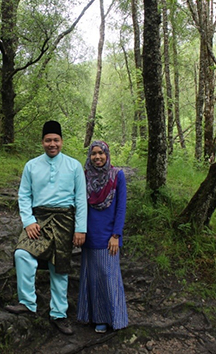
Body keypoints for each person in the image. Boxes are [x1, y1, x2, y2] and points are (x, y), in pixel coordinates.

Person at [5, 120, 87, 336]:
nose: (53, 144)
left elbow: (80, 199)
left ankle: (59, 314)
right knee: (22, 254)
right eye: (48, 140)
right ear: (42, 142)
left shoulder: (74, 165)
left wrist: (80, 229)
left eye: (56, 140)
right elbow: (24, 195)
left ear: (62, 142)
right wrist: (29, 221)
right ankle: (27, 303)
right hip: (38, 220)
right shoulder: (31, 165)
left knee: (59, 267)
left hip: (64, 220)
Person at [77, 140, 128, 333]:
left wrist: (116, 235)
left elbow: (121, 207)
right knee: (93, 277)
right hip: (89, 234)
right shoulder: (84, 176)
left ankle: (115, 318)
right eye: (93, 153)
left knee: (108, 276)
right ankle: (96, 318)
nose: (97, 157)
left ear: (107, 154)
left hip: (109, 236)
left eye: (101, 153)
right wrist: (79, 230)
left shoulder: (117, 176)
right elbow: (80, 206)